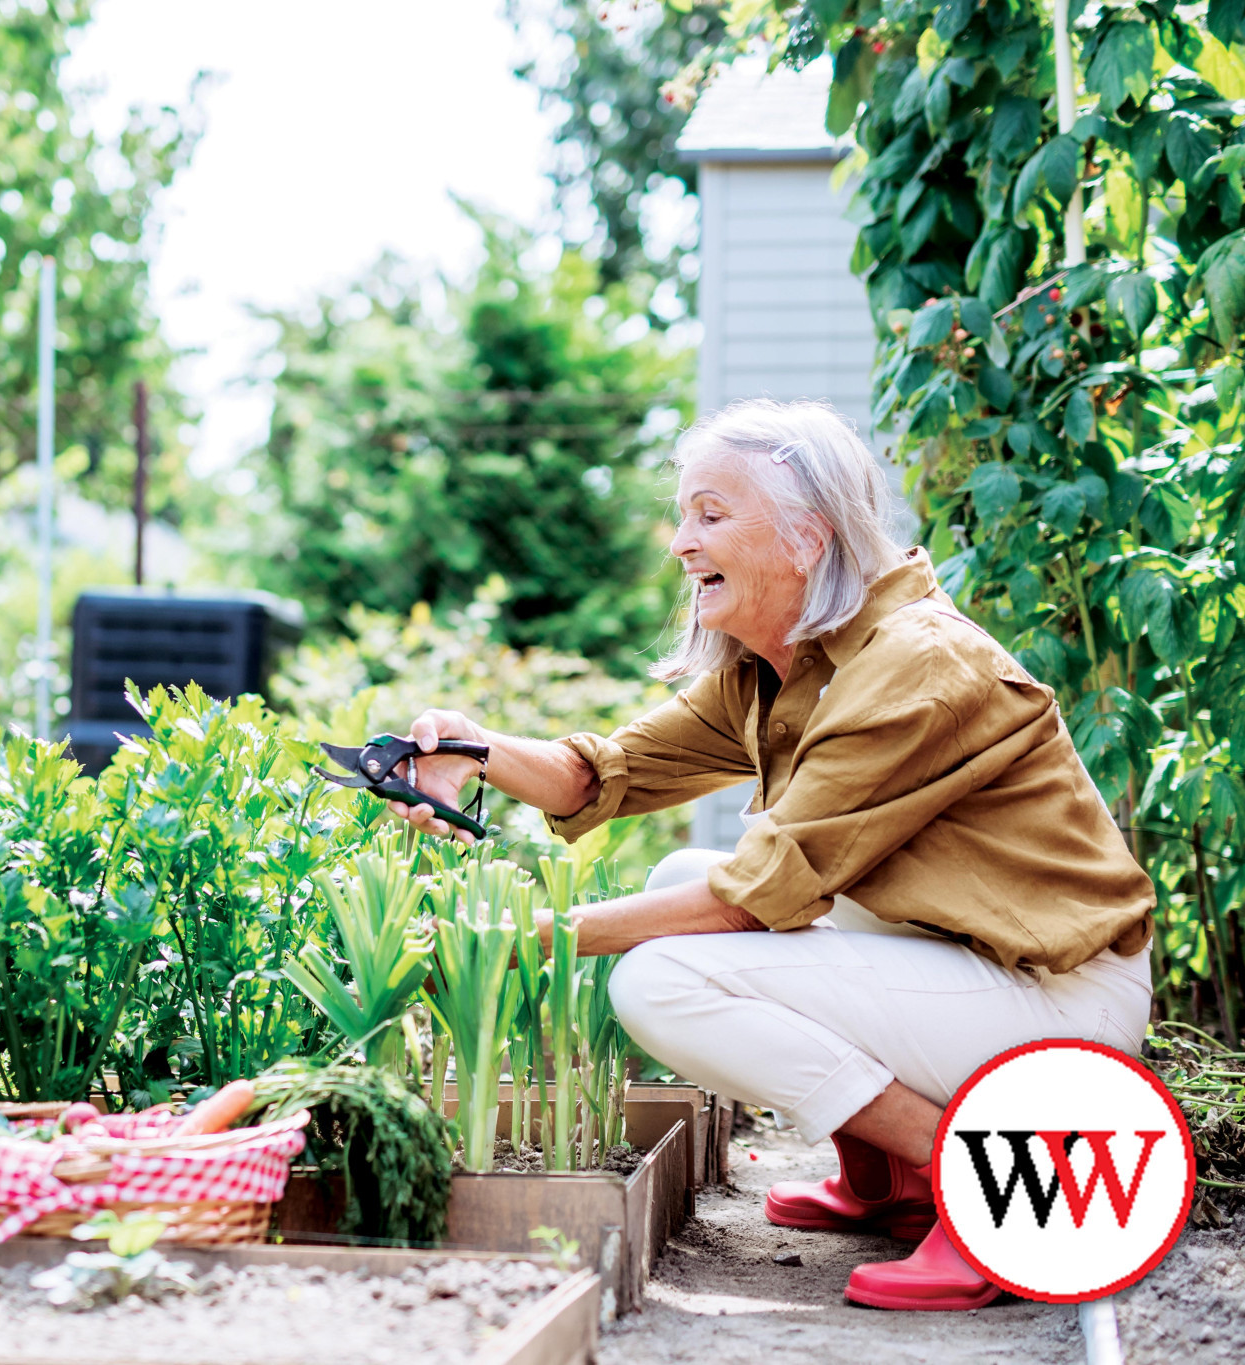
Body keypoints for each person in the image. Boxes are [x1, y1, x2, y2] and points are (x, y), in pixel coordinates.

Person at [389, 399, 1154, 1311]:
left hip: (1058, 1001)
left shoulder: (915, 663)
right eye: (683, 515)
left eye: (710, 514)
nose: (681, 542)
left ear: (806, 536)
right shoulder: (782, 667)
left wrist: (537, 935)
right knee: (676, 882)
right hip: (975, 968)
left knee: (657, 979)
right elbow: (600, 776)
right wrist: (470, 750)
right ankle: (887, 1181)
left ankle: (978, 1175)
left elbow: (757, 895)